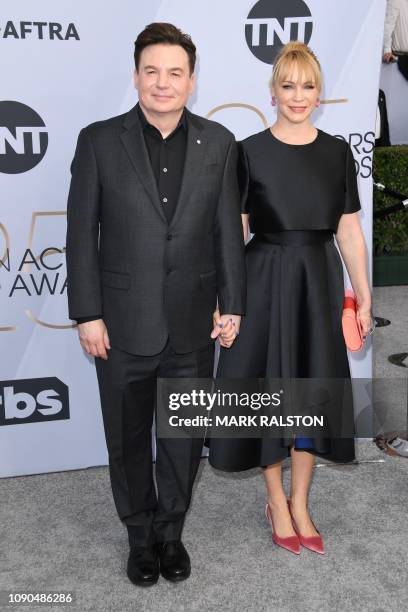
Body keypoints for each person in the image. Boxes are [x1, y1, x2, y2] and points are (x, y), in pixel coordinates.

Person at [66, 22, 245, 586]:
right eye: (152, 71)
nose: (162, 84)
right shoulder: (98, 140)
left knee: (183, 439)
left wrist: (232, 304)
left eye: (175, 73)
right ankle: (139, 537)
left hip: (193, 322)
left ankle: (171, 533)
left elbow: (225, 233)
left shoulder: (219, 142)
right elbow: (79, 234)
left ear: (192, 81)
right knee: (125, 437)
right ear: (136, 75)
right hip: (119, 324)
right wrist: (87, 313)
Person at [209, 42, 372, 555]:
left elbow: (349, 232)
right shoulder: (247, 150)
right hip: (263, 279)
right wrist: (225, 297)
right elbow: (233, 233)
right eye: (288, 85)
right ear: (272, 90)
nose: (297, 96)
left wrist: (364, 297)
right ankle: (276, 500)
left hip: (318, 280)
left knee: (311, 390)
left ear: (319, 93)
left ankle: (302, 501)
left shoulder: (337, 151)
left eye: (307, 86)